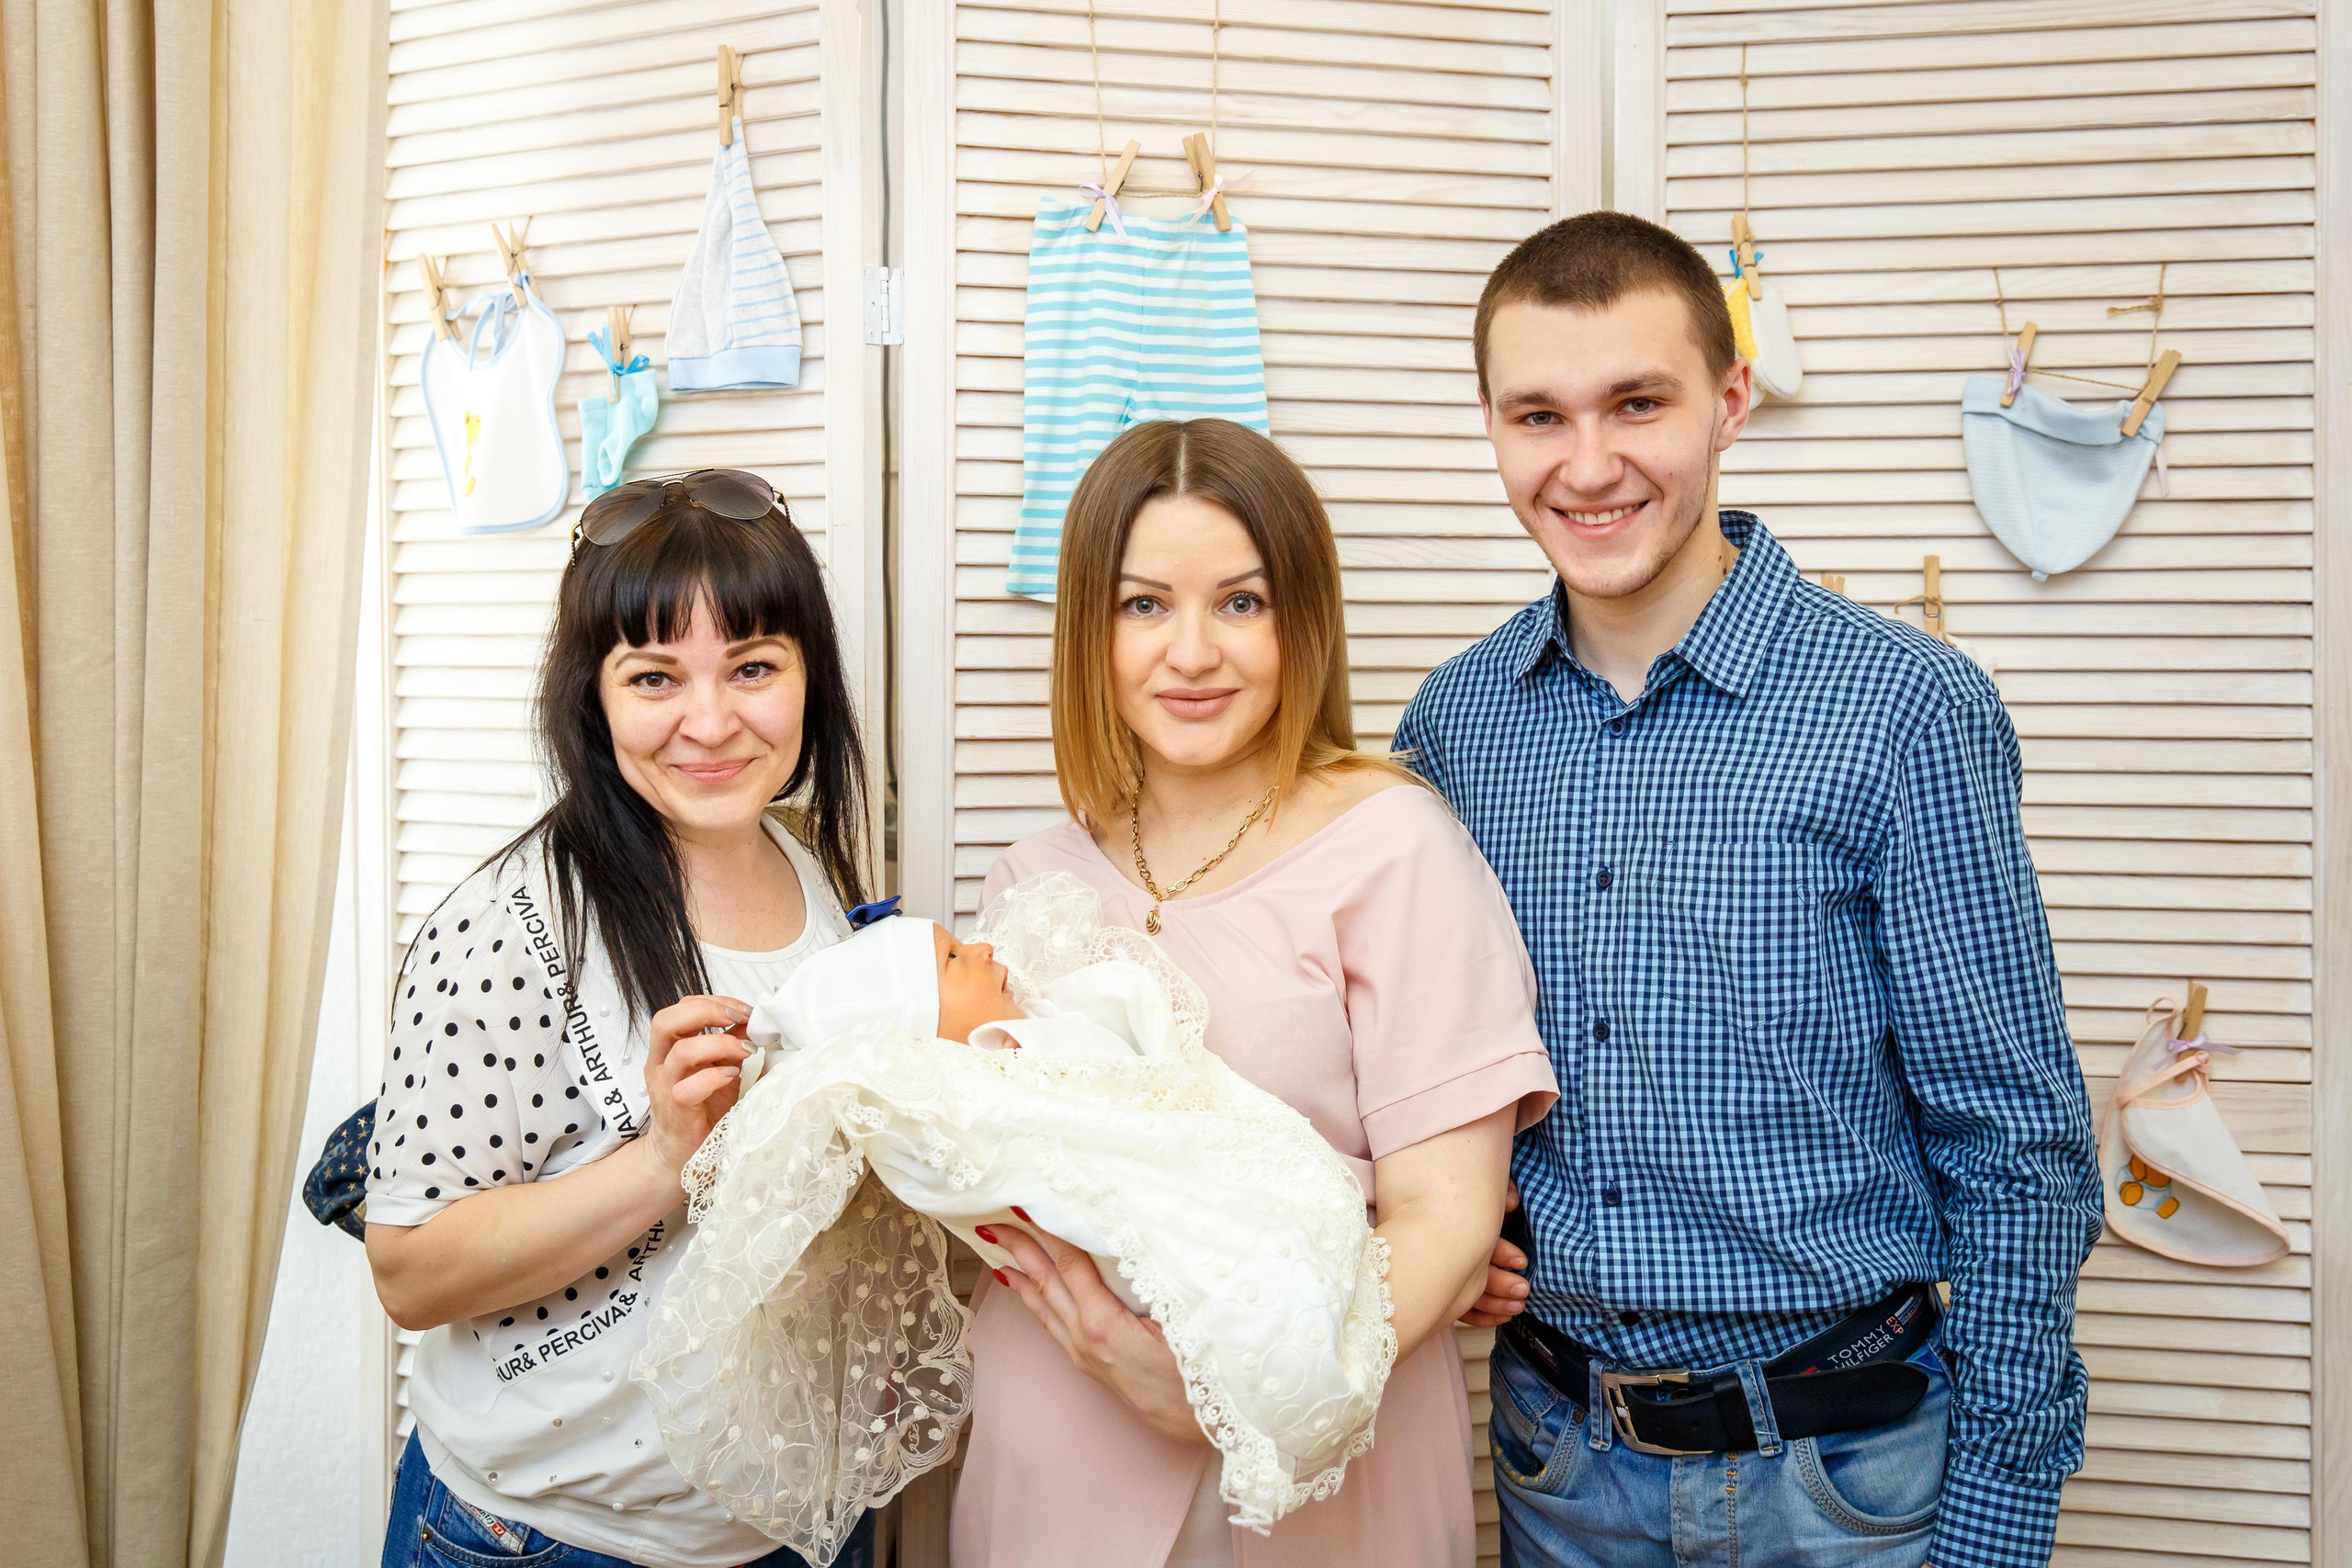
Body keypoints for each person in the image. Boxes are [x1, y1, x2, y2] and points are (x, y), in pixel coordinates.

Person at [1398, 211, 2104, 1568]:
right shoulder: (1455, 726)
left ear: (1728, 401)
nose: (1586, 465)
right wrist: (1446, 1212)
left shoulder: (1905, 709)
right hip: (1557, 1459)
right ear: (1491, 426)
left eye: (1637, 403)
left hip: (1844, 1483)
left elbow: (2016, 1142)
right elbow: (1417, 1062)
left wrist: (1999, 1516)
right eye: (1538, 415)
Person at [948, 418, 1560, 1568]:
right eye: (1143, 605)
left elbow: (1446, 1218)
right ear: (1088, 630)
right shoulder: (1031, 879)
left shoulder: (1396, 847)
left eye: (1239, 603)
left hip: (1315, 1475)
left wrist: (1235, 1391)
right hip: (1051, 1458)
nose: (1191, 654)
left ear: (1301, 621)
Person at [363, 469, 879, 1568]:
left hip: (794, 1526)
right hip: (549, 1539)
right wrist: (660, 1160)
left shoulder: (809, 867)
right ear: (592, 696)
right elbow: (410, 1273)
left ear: (810, 677)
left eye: (753, 668)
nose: (712, 722)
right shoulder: (509, 925)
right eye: (654, 677)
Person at [645, 876, 1399, 1560]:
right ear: (920, 1036)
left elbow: (1143, 1071)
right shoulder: (968, 1105)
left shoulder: (1037, 1027)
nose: (983, 950)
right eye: (952, 961)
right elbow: (1067, 1161)